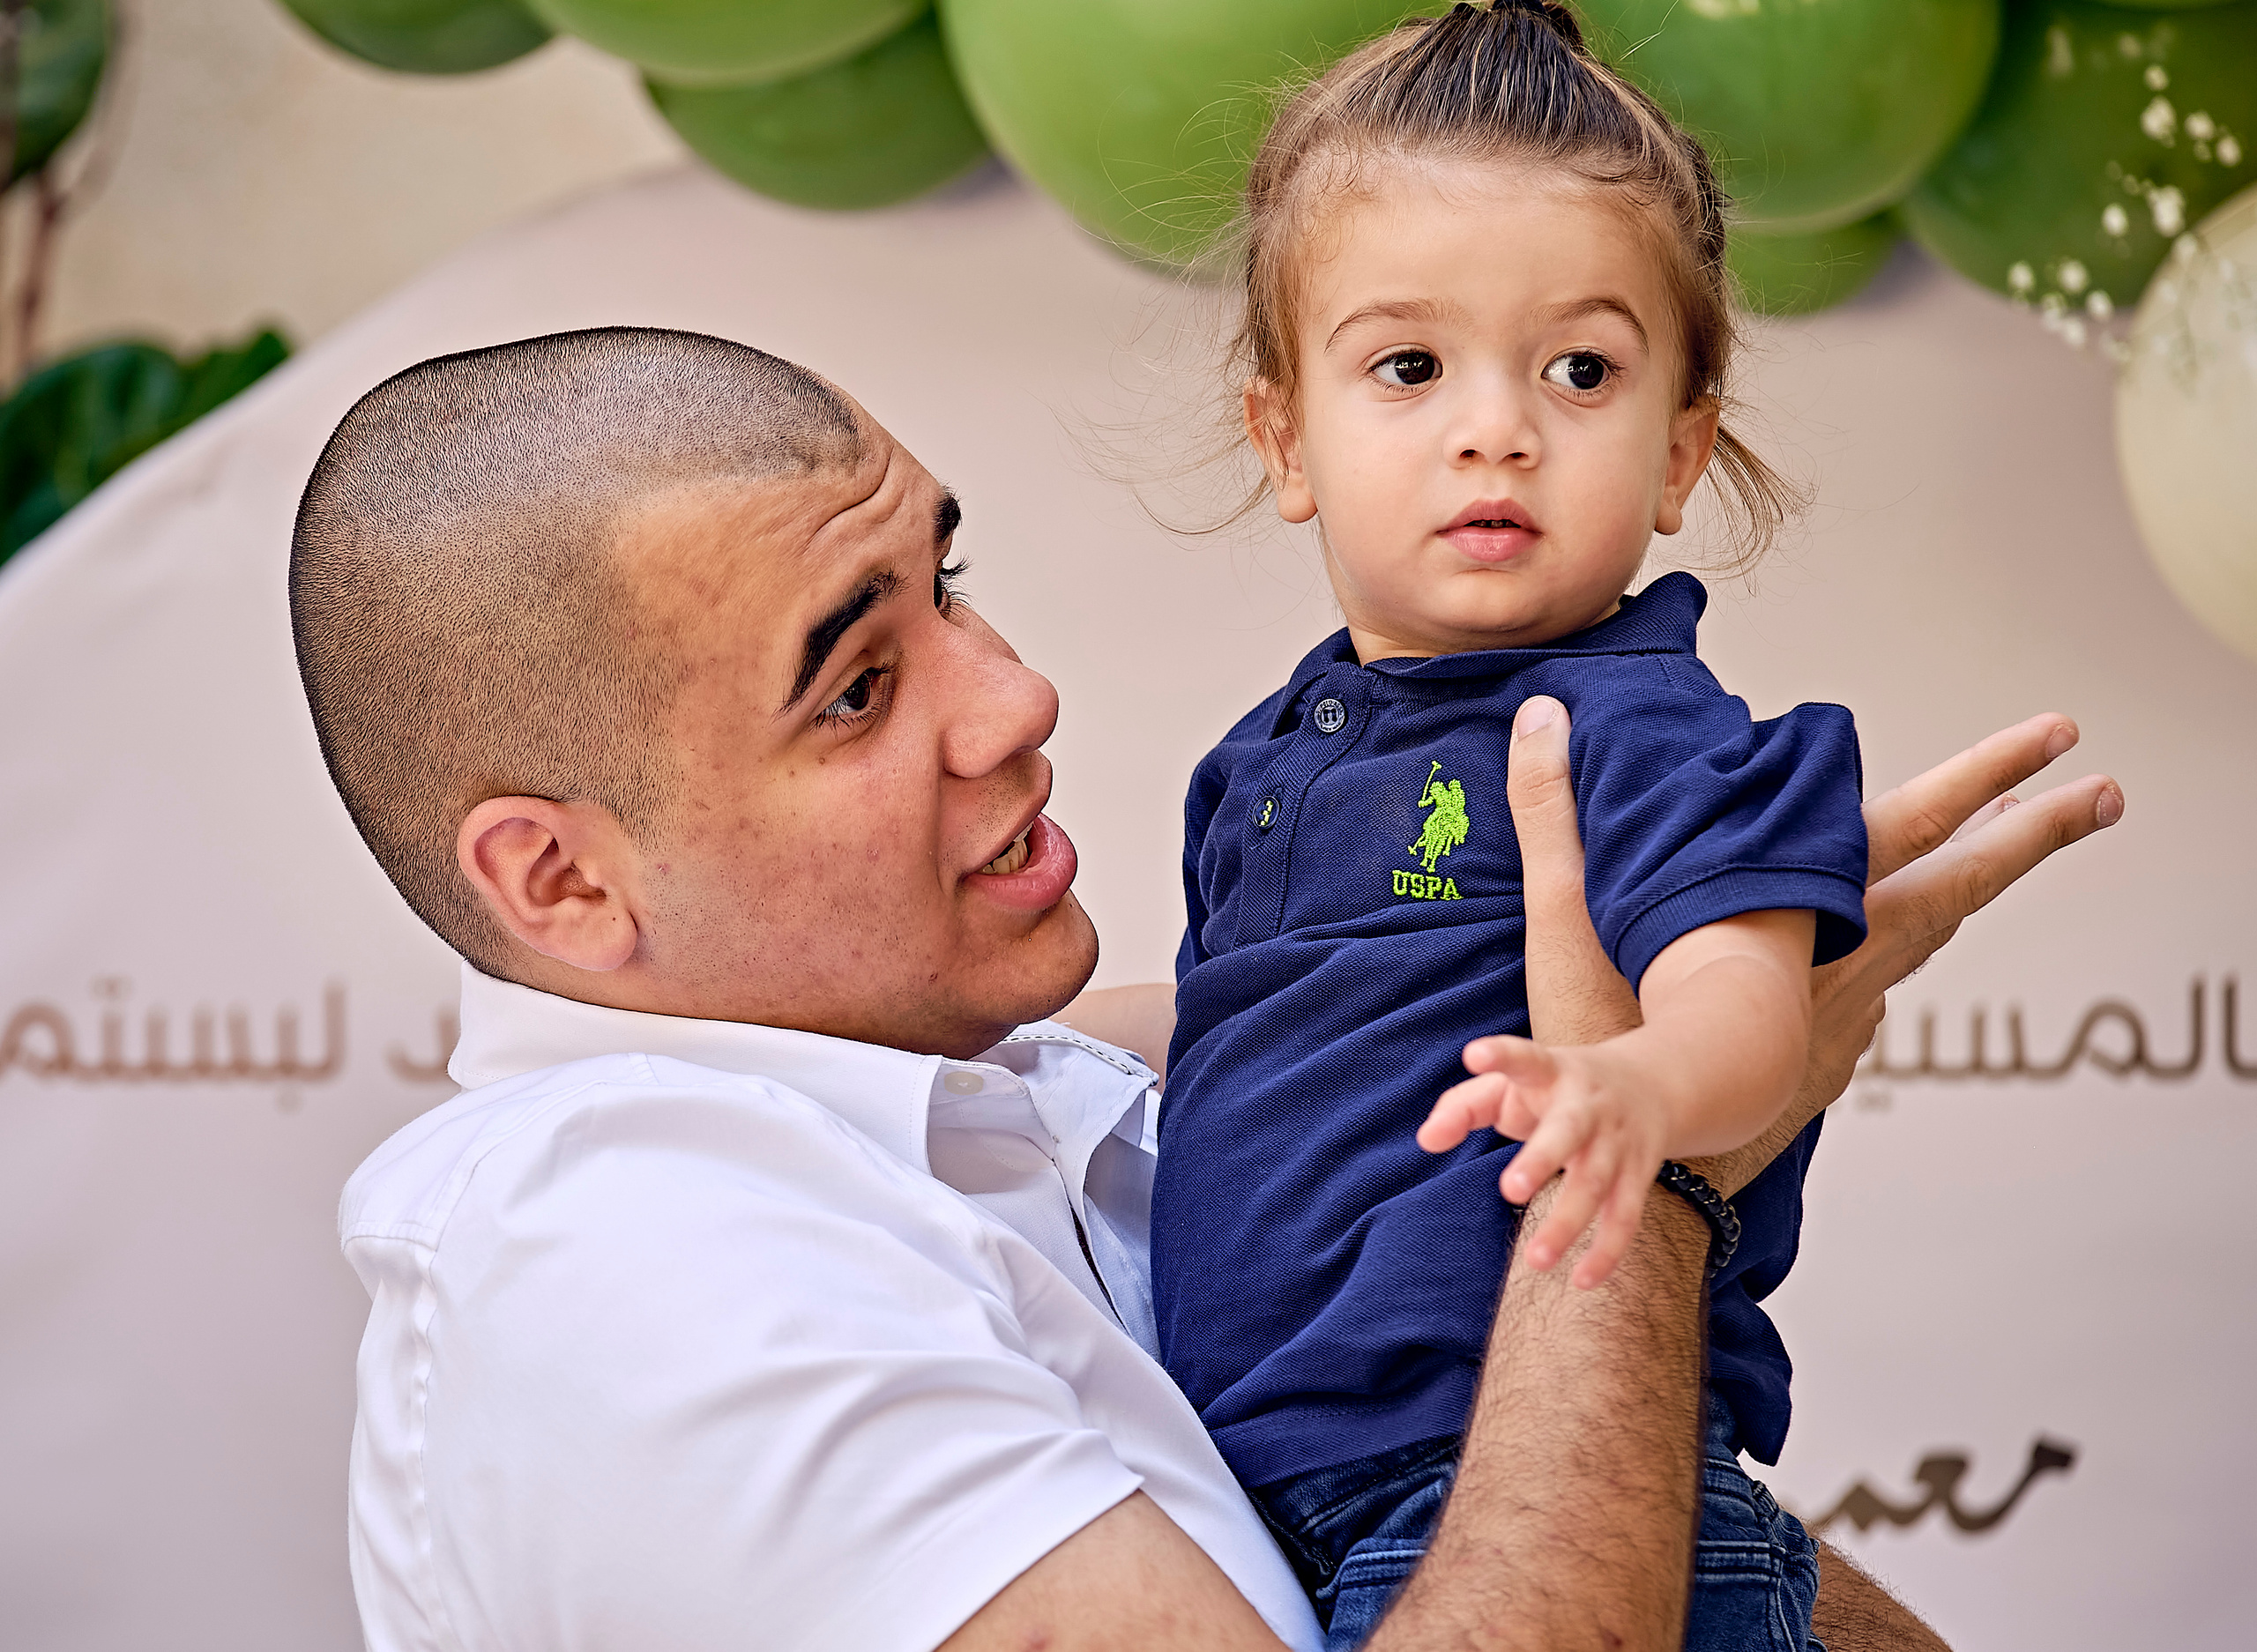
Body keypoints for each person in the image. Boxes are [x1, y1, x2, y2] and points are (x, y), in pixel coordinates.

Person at [288, 324, 2120, 1651]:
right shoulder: (634, 1261)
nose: (1010, 700)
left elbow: (1579, 1519)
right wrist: (1639, 1165)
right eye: (852, 687)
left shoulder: (1017, 1095)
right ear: (559, 877)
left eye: (949, 583)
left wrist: (1692, 929)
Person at [1146, 7, 1902, 1644]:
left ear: (1681, 447)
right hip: (1255, 1499)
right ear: (1287, 437)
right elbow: (1236, 1026)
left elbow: (1751, 1006)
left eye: (1581, 370)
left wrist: (1634, 1079)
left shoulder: (1634, 719)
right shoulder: (1257, 761)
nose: (1497, 426)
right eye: (1409, 366)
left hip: (1539, 1479)